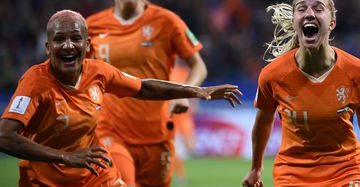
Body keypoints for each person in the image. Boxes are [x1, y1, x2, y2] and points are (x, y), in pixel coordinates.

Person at [0, 10, 242, 187]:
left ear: (87, 44)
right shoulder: (35, 82)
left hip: (91, 172)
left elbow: (144, 88)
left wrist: (196, 91)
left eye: (75, 38)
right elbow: (5, 137)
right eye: (59, 40)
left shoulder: (99, 72)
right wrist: (66, 157)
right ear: (47, 47)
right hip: (44, 180)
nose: (68, 45)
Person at [241, 0, 360, 187]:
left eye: (318, 9)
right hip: (293, 173)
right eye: (302, 9)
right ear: (294, 21)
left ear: (332, 23)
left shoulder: (359, 72)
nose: (309, 13)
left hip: (346, 170)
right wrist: (255, 169)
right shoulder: (272, 75)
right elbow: (263, 123)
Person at [85, 0, 208, 186]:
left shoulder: (167, 21)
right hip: (111, 131)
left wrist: (186, 93)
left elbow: (198, 65)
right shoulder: (92, 27)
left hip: (157, 135)